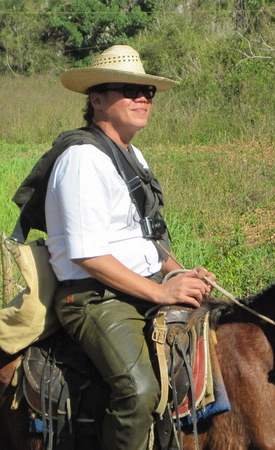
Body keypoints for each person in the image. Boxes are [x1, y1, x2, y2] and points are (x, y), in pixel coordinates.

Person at [44, 45, 215, 450]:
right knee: (137, 391)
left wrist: (177, 271)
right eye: (128, 90)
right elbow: (87, 254)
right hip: (94, 296)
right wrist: (160, 292)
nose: (142, 98)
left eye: (148, 92)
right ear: (97, 99)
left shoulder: (130, 154)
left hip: (141, 281)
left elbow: (147, 235)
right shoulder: (82, 159)